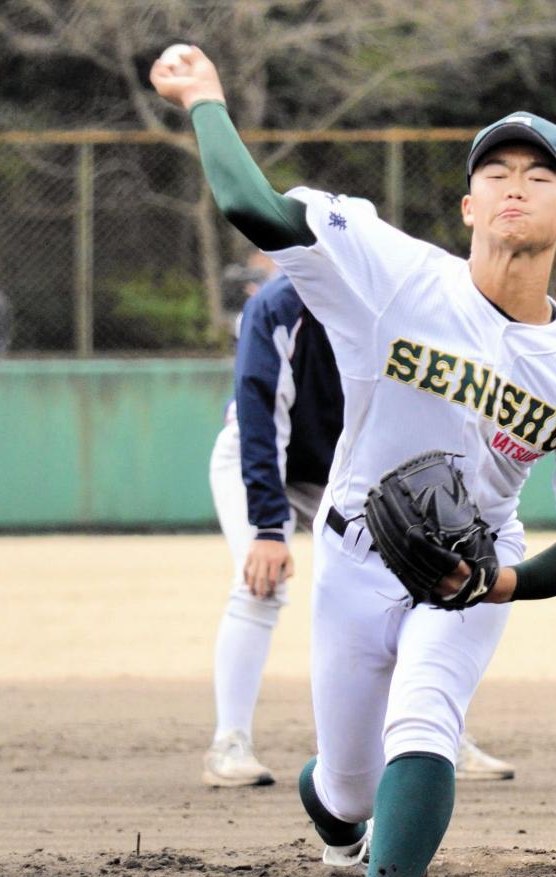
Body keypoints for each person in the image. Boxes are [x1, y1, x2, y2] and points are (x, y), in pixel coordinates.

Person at [151, 48, 556, 877]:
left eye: (539, 176)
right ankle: (340, 819)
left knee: (424, 714)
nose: (513, 186)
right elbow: (251, 208)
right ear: (466, 205)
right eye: (493, 171)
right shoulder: (395, 277)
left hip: (471, 566)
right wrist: (204, 99)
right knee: (345, 785)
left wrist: (494, 584)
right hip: (350, 555)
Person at [203, 265, 516, 787]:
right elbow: (260, 417)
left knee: (409, 587)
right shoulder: (281, 306)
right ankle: (228, 743)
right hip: (261, 462)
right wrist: (266, 530)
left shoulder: (400, 304)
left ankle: (429, 734)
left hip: (348, 475)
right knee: (259, 581)